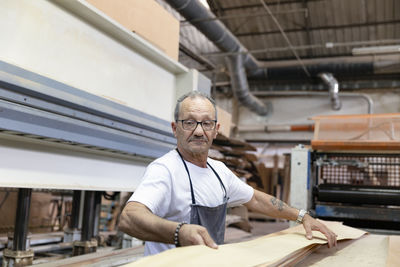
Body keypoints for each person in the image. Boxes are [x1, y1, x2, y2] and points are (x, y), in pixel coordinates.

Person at [119, 91, 337, 256]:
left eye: (206, 123)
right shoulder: (165, 170)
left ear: (215, 130)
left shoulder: (218, 171)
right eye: (189, 123)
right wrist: (179, 232)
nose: (198, 131)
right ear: (175, 129)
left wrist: (301, 216)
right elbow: (129, 218)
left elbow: (256, 199)